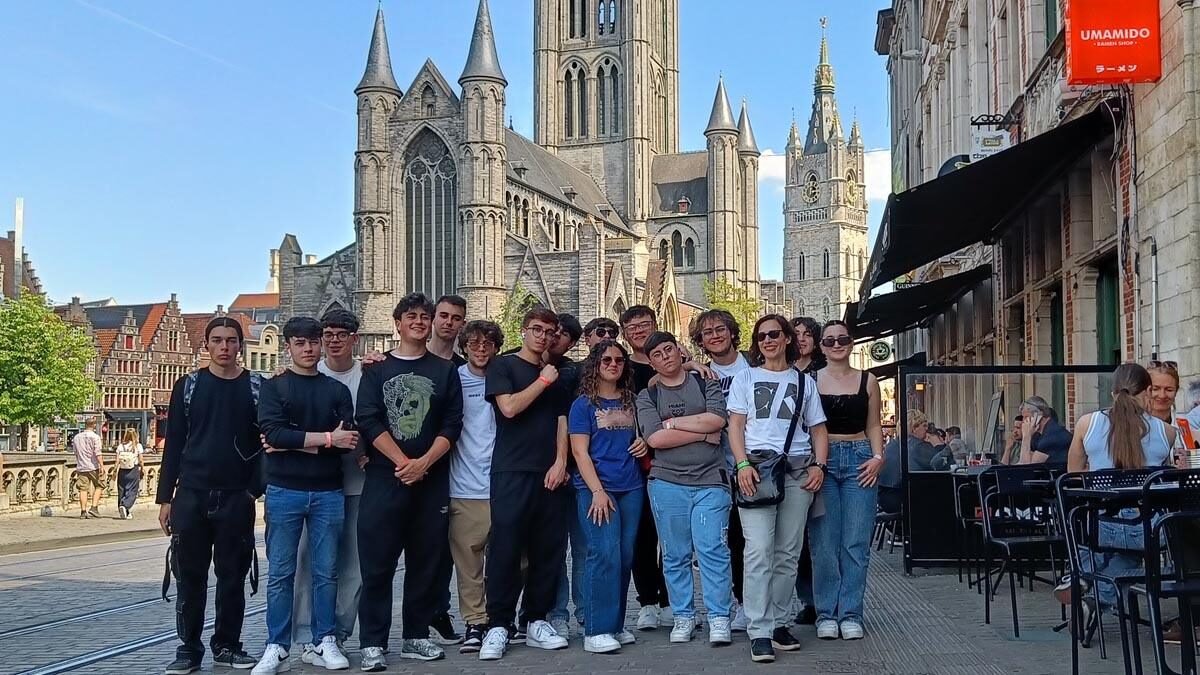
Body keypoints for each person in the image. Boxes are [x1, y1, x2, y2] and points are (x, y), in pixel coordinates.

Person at [355, 293, 464, 671]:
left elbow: (452, 423)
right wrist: (403, 462)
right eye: (411, 316)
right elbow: (368, 419)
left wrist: (424, 463)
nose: (419, 321)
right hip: (385, 479)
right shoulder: (377, 368)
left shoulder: (444, 371)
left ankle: (415, 636)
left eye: (424, 316)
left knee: (425, 563)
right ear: (398, 323)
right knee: (377, 565)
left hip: (430, 481)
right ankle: (372, 642)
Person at [252, 317, 359, 675]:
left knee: (326, 572)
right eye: (300, 343)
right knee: (281, 573)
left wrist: (296, 441)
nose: (309, 349)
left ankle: (324, 639)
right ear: (289, 347)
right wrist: (326, 438)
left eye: (313, 342)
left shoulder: (336, 390)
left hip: (329, 490)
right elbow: (272, 435)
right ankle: (277, 645)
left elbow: (347, 441)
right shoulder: (274, 387)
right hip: (284, 490)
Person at [157, 317, 263, 674]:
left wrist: (253, 490)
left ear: (240, 346)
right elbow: (174, 443)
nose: (224, 347)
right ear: (207, 345)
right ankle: (188, 648)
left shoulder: (256, 387)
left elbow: (267, 442)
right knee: (190, 578)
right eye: (217, 340)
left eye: (231, 341)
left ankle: (227, 645)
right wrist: (165, 498)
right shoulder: (188, 386)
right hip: (192, 494)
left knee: (232, 577)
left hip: (236, 496)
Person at [728, 315, 829, 663]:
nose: (768, 340)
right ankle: (759, 629)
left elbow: (817, 429)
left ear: (787, 338)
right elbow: (735, 426)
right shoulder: (746, 377)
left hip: (797, 470)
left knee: (788, 552)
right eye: (761, 336)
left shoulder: (804, 382)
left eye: (774, 334)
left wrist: (819, 465)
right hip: (757, 470)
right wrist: (742, 464)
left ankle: (779, 622)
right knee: (758, 551)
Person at [478, 307, 571, 661]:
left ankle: (535, 620)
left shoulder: (556, 373)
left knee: (548, 550)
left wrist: (560, 462)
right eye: (537, 329)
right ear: (523, 330)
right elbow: (510, 408)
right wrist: (543, 381)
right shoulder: (503, 366)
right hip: (512, 470)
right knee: (505, 548)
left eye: (549, 332)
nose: (543, 337)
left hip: (550, 473)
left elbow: (562, 420)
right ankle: (498, 625)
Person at [635, 331, 732, 646]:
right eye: (657, 355)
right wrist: (701, 433)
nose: (665, 357)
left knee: (712, 550)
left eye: (668, 349)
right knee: (675, 554)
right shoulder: (648, 396)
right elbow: (655, 439)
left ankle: (719, 617)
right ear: (651, 363)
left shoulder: (705, 382)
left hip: (710, 481)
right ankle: (683, 616)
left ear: (680, 351)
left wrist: (673, 423)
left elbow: (717, 420)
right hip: (667, 483)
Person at [1065, 363, 1177, 617]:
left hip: (1100, 527)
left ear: (1113, 392)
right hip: (1148, 531)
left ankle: (1082, 573)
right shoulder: (1167, 433)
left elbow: (1073, 478)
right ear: (1147, 392)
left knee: (1080, 529)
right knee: (1133, 550)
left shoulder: (1086, 424)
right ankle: (1094, 601)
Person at [289, 309, 369, 663]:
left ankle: (337, 634)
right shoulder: (306, 374)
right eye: (328, 334)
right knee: (309, 564)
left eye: (342, 334)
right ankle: (309, 636)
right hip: (316, 484)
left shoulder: (370, 373)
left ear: (355, 338)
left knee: (354, 566)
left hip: (359, 484)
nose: (334, 340)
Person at [569, 340, 646, 653]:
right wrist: (597, 491)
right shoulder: (583, 405)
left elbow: (644, 434)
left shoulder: (632, 400)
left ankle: (614, 623)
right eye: (607, 360)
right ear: (595, 365)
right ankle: (595, 629)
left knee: (624, 556)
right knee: (603, 554)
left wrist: (643, 443)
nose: (614, 365)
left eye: (619, 360)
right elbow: (579, 451)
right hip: (597, 489)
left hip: (631, 487)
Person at [810, 320, 884, 641]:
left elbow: (874, 424)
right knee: (824, 543)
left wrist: (878, 457)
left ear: (851, 343)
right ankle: (827, 613)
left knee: (855, 542)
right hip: (822, 461)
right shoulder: (811, 380)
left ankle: (851, 613)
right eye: (830, 340)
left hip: (859, 458)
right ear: (821, 347)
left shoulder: (868, 380)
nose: (837, 344)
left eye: (842, 339)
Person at [691, 309, 752, 632]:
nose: (715, 336)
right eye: (707, 332)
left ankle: (748, 602)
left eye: (720, 329)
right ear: (700, 341)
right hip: (715, 469)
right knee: (722, 541)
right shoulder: (699, 375)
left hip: (753, 464)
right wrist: (687, 365)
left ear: (732, 332)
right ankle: (732, 603)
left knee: (750, 540)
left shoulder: (752, 365)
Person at [447, 320, 503, 654]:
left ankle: (502, 618)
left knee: (513, 559)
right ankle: (475, 622)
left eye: (488, 344)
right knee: (469, 564)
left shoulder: (506, 376)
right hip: (465, 485)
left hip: (503, 484)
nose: (481, 349)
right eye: (474, 343)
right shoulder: (453, 379)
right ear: (464, 347)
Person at [620, 306, 672, 631]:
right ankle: (648, 603)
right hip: (634, 463)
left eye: (644, 324)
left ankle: (669, 601)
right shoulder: (620, 366)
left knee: (671, 537)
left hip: (670, 461)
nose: (639, 331)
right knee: (641, 536)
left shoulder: (672, 361)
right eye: (632, 327)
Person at [425, 294, 467, 646]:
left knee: (441, 549)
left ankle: (437, 610)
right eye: (443, 316)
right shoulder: (401, 360)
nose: (448, 322)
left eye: (456, 318)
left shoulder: (463, 369)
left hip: (449, 468)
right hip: (403, 466)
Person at [548, 312, 586, 636]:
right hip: (542, 471)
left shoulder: (575, 371)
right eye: (550, 331)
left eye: (561, 334)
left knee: (584, 547)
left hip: (577, 470)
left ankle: (586, 612)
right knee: (554, 549)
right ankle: (556, 613)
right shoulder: (515, 363)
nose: (553, 337)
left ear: (571, 343)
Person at [788, 316, 823, 624]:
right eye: (796, 333)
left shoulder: (821, 373)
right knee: (795, 537)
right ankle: (807, 599)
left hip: (819, 458)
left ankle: (824, 597)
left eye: (807, 334)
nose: (801, 338)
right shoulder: (780, 371)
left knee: (820, 534)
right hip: (790, 461)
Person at [1017, 397, 1071, 465]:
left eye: (1026, 417)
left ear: (1038, 415)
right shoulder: (1038, 435)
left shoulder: (1053, 435)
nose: (1023, 421)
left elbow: (1025, 467)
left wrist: (1026, 437)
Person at [72, 418, 105, 519]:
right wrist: (102, 465)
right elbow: (98, 453)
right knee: (100, 485)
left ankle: (83, 511)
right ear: (94, 425)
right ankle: (94, 507)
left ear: (85, 425)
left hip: (81, 466)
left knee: (83, 489)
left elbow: (76, 452)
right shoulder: (95, 437)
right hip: (93, 466)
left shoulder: (77, 437)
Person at [115, 428, 144, 520]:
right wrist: (142, 469)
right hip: (133, 470)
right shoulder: (138, 446)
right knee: (132, 490)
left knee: (121, 490)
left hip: (122, 470)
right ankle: (125, 505)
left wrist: (114, 470)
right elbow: (141, 460)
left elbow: (117, 461)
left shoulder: (120, 446)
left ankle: (123, 508)